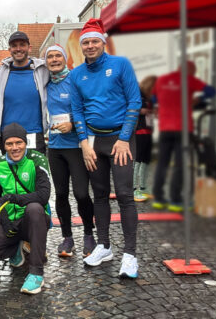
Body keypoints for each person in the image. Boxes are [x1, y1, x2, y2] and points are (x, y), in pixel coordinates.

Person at [68, 18, 141, 278]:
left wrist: (123, 138)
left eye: (94, 41)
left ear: (103, 42)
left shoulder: (120, 65)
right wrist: (84, 143)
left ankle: (130, 255)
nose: (90, 46)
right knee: (98, 195)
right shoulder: (76, 74)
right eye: (85, 42)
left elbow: (134, 101)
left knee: (124, 195)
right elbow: (76, 110)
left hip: (120, 140)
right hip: (94, 142)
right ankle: (104, 246)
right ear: (81, 46)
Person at [0, 123, 51, 295]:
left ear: (25, 143)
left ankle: (36, 272)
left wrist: (15, 198)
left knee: (35, 208)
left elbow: (43, 195)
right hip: (10, 219)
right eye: (9, 144)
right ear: (3, 145)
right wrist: (4, 219)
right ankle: (17, 245)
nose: (14, 148)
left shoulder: (38, 160)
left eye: (18, 143)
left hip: (34, 219)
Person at [44, 44, 96, 258]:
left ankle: (88, 234)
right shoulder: (45, 83)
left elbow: (89, 109)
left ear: (65, 59)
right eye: (50, 57)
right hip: (55, 147)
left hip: (76, 146)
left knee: (82, 193)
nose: (54, 60)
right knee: (61, 194)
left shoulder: (75, 80)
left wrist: (73, 125)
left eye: (58, 56)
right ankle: (67, 237)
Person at [152, 61, 216, 212]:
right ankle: (175, 200)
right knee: (179, 165)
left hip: (165, 128)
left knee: (162, 163)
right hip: (183, 129)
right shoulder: (189, 79)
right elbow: (212, 92)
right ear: (190, 70)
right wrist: (198, 99)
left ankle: (159, 199)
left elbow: (154, 99)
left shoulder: (162, 80)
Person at [0, 31, 49, 154]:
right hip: (8, 134)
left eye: (22, 44)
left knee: (35, 172)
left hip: (33, 133)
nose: (18, 49)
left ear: (29, 48)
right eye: (14, 46)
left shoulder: (42, 71)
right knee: (11, 172)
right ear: (9, 49)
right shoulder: (0, 73)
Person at [133, 75, 157, 201]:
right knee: (138, 159)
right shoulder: (139, 94)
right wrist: (143, 110)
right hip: (140, 131)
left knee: (146, 160)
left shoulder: (150, 98)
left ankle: (142, 187)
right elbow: (134, 108)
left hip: (149, 130)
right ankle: (133, 188)